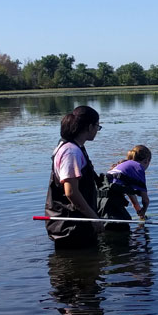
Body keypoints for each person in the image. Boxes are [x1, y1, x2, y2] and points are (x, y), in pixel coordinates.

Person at [45, 106, 104, 248]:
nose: (97, 130)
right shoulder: (71, 152)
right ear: (89, 127)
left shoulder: (74, 148)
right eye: (97, 126)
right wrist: (94, 218)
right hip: (71, 226)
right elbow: (71, 192)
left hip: (75, 224)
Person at [99, 145, 151, 228]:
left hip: (99, 200)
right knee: (121, 228)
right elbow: (145, 200)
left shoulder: (125, 166)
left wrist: (139, 212)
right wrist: (144, 211)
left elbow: (132, 198)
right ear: (146, 161)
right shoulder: (138, 168)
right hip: (111, 202)